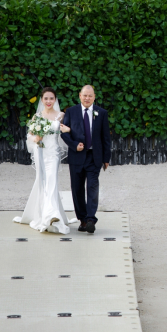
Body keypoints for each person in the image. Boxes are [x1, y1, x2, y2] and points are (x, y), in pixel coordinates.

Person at [14, 88, 76, 234]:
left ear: (55, 100)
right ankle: (44, 215)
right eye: (46, 98)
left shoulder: (61, 115)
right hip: (40, 153)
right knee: (42, 182)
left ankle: (52, 216)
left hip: (53, 154)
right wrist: (35, 138)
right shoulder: (37, 117)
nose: (48, 101)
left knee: (52, 181)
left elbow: (66, 129)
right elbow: (29, 136)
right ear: (42, 100)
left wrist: (67, 130)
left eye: (51, 98)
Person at [60, 85, 111, 234]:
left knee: (92, 187)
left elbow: (105, 137)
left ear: (94, 97)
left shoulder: (101, 113)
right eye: (85, 95)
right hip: (76, 156)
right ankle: (82, 219)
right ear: (79, 96)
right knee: (77, 189)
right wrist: (75, 145)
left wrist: (106, 158)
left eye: (90, 96)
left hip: (94, 157)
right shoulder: (71, 112)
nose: (87, 98)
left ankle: (90, 219)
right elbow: (64, 133)